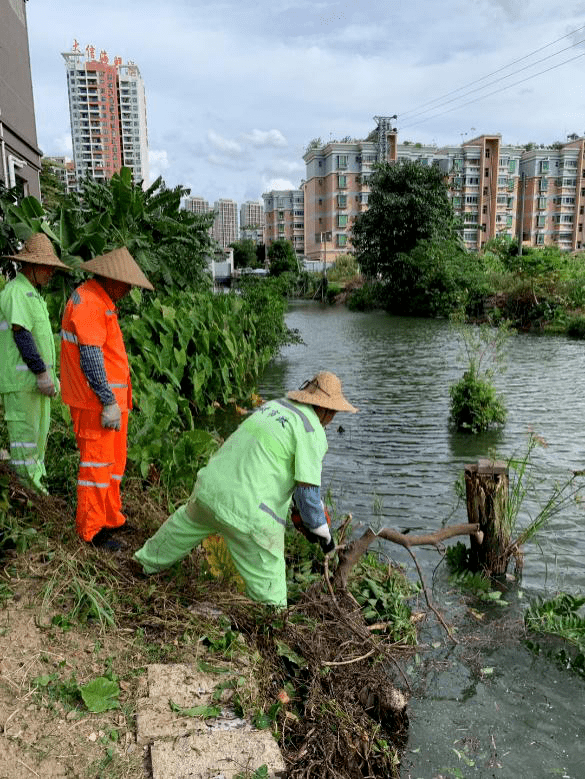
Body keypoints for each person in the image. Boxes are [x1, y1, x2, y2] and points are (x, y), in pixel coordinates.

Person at [133, 371, 358, 606]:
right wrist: (325, 538)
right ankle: (273, 626)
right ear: (327, 411)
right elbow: (307, 495)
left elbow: (267, 463)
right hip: (249, 513)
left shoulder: (275, 406)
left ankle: (143, 563)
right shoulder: (312, 430)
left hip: (210, 490)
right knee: (272, 598)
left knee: (181, 529)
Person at [60, 247, 153, 551]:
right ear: (112, 279)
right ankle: (91, 529)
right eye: (127, 284)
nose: (128, 291)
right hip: (96, 403)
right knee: (96, 468)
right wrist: (108, 400)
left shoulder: (101, 300)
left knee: (112, 465)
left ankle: (111, 517)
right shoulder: (89, 301)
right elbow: (90, 355)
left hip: (109, 402)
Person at [0, 233, 70, 493]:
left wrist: (46, 375)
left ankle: (36, 493)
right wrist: (41, 373)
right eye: (47, 267)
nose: (51, 272)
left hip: (34, 385)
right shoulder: (16, 291)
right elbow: (21, 333)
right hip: (23, 385)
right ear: (30, 265)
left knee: (36, 446)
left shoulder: (32, 294)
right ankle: (31, 501)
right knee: (25, 445)